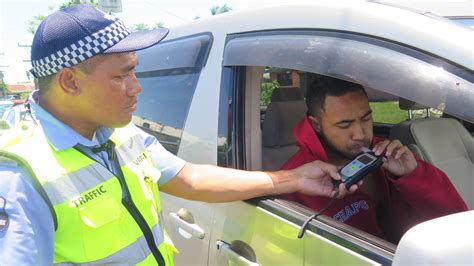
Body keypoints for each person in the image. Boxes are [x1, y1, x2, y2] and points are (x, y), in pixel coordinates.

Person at [0, 5, 357, 265]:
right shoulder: (21, 177)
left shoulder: (120, 137)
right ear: (70, 81)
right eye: (121, 76)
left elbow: (190, 178)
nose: (136, 88)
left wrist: (291, 179)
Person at [281, 76, 468, 243]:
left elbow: (456, 220)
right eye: (345, 124)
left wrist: (413, 174)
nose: (360, 134)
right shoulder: (298, 179)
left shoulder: (386, 154)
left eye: (366, 118)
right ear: (317, 125)